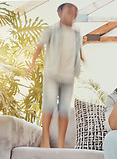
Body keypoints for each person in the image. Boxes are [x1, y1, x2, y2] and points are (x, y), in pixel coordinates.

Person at [29, 3, 83, 148]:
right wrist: (32, 64)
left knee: (64, 109)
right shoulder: (51, 31)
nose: (72, 15)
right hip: (52, 74)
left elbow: (78, 51)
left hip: (68, 76)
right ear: (59, 12)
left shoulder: (77, 34)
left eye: (75, 13)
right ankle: (45, 140)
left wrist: (82, 61)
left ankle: (61, 142)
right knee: (49, 106)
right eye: (69, 11)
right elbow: (39, 47)